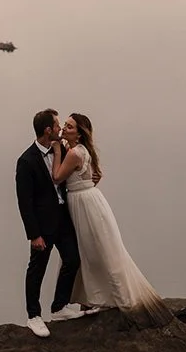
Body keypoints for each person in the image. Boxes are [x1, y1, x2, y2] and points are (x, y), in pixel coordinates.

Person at [51, 113, 174, 328]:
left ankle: (107, 296)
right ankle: (95, 297)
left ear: (79, 134)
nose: (64, 128)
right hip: (87, 201)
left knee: (93, 249)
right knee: (94, 250)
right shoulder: (81, 150)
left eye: (69, 127)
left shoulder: (73, 153)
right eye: (65, 125)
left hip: (83, 204)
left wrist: (58, 151)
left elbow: (57, 177)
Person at [15, 109, 87, 338]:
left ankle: (59, 307)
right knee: (37, 269)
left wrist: (92, 176)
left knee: (73, 259)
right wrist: (33, 234)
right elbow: (24, 202)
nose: (60, 129)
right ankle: (33, 316)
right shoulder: (26, 161)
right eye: (57, 126)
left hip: (63, 219)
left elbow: (76, 169)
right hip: (42, 226)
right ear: (48, 130)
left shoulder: (63, 149)